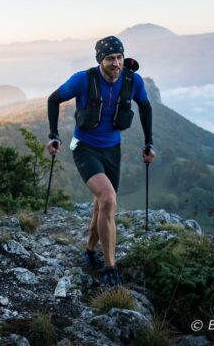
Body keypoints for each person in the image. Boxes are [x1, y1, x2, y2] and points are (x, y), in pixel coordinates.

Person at [46, 35, 155, 286]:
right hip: (84, 147)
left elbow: (146, 107)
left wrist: (148, 143)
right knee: (108, 199)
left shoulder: (132, 80)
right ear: (100, 61)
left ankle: (89, 250)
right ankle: (110, 267)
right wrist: (54, 135)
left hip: (112, 149)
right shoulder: (83, 79)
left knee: (100, 206)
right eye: (110, 59)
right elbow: (54, 99)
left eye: (119, 57)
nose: (116, 63)